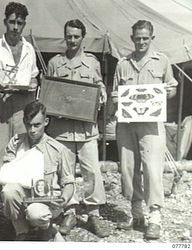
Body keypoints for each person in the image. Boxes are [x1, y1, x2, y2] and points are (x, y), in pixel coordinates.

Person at [112, 20, 177, 240]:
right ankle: (136, 212)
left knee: (152, 167)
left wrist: (168, 93)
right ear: (132, 39)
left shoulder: (163, 61)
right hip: (127, 124)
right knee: (128, 168)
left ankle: (155, 216)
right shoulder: (122, 64)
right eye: (137, 38)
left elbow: (172, 87)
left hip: (151, 125)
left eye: (145, 38)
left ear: (152, 38)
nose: (141, 42)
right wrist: (115, 100)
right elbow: (114, 94)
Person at [0, 2, 39, 238]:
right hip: (0, 104)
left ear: (24, 24)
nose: (15, 27)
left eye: (20, 23)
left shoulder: (29, 49)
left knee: (23, 157)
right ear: (5, 21)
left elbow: (33, 79)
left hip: (22, 106)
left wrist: (30, 86)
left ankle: (19, 218)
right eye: (12, 22)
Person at [46, 19, 110, 237]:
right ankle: (70, 211)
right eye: (69, 36)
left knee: (92, 171)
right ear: (65, 37)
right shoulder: (55, 62)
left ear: (83, 37)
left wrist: (102, 92)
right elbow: (50, 91)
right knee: (66, 173)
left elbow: (98, 84)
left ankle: (94, 214)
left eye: (76, 36)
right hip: (61, 129)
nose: (72, 40)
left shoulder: (92, 63)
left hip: (86, 130)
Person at [1, 100, 75, 241]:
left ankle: (47, 228)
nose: (32, 130)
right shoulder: (16, 143)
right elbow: (6, 174)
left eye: (37, 125)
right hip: (22, 196)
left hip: (46, 201)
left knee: (37, 213)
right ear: (24, 122)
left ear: (46, 121)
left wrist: (63, 200)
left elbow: (69, 182)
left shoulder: (57, 149)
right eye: (28, 125)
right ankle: (22, 231)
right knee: (8, 191)